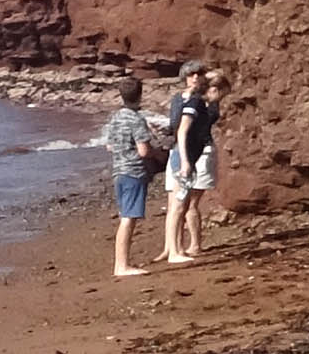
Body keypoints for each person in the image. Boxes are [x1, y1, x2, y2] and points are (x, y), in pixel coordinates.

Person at [92, 74, 161, 277]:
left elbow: (109, 146)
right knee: (128, 219)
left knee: (126, 216)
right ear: (140, 96)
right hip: (134, 171)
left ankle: (122, 264)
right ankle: (121, 266)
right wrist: (159, 153)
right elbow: (144, 151)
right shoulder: (136, 118)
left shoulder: (115, 117)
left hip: (118, 170)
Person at [162, 65, 225, 264]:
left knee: (180, 204)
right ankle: (174, 251)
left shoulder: (196, 102)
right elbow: (180, 130)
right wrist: (186, 162)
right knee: (179, 205)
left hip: (187, 155)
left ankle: (176, 249)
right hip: (185, 156)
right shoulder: (195, 102)